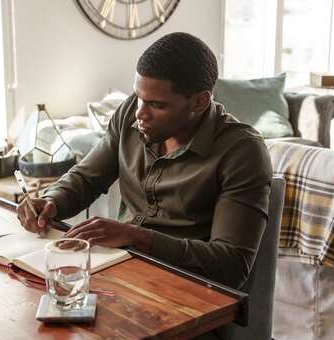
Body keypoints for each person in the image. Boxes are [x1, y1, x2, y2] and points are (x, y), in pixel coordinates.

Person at [17, 32, 272, 290]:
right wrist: (52, 201)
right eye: (138, 96)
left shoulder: (242, 152)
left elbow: (232, 265)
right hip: (120, 271)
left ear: (200, 101)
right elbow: (86, 178)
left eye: (157, 105)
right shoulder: (131, 112)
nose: (140, 112)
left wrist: (137, 237)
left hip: (184, 290)